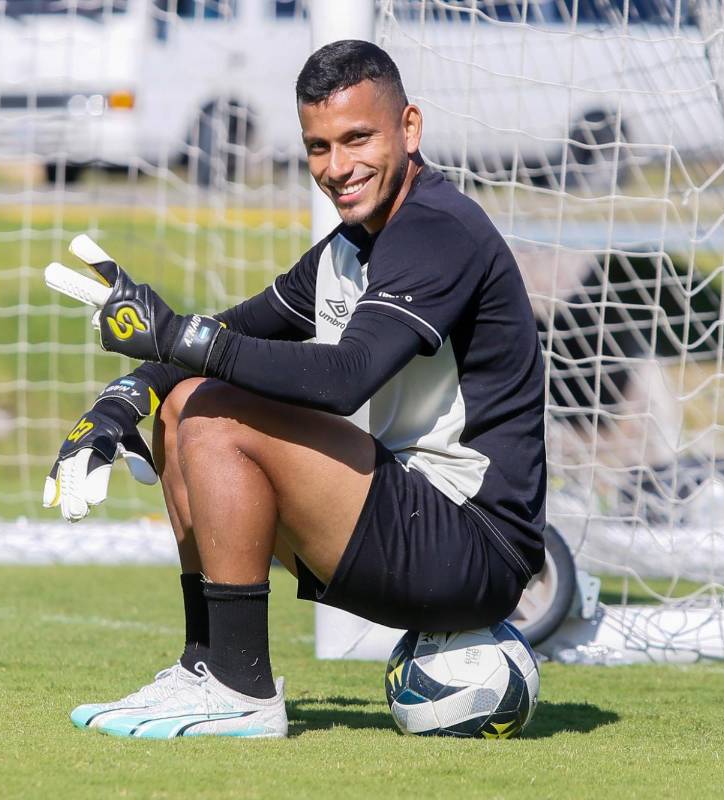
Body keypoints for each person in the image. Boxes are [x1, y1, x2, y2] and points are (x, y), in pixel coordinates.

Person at [46, 40, 547, 740]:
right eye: (319, 147)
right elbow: (232, 331)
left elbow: (346, 378)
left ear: (409, 128)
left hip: (475, 549)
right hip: (406, 518)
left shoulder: (438, 231)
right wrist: (126, 397)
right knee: (186, 400)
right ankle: (206, 666)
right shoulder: (349, 247)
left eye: (357, 138)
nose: (337, 167)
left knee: (214, 412)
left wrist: (175, 337)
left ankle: (241, 689)